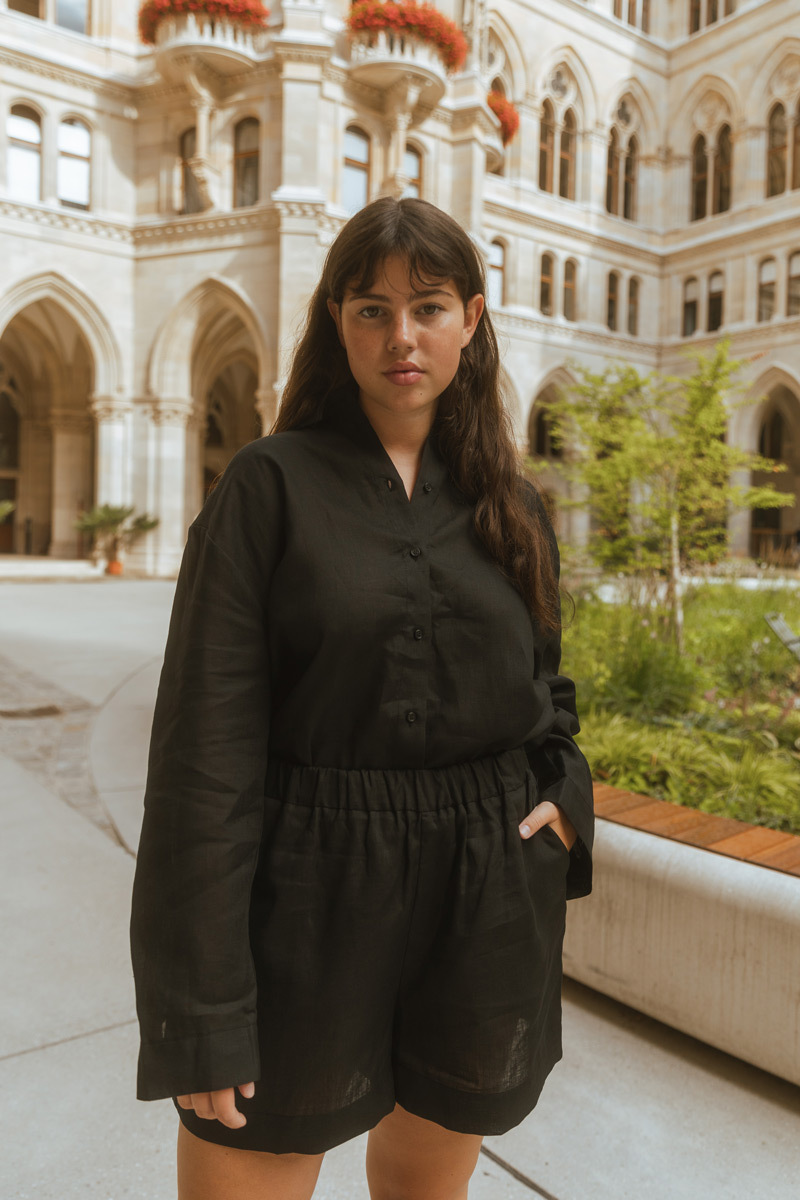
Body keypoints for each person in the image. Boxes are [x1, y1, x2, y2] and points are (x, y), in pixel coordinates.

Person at [130, 196, 594, 1200]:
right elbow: (202, 756)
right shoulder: (266, 488)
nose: (401, 337)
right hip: (304, 901)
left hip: (481, 907)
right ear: (334, 321)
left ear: (470, 321)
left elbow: (547, 689)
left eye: (427, 307)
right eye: (371, 310)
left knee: (430, 1179)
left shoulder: (512, 507)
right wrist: (200, 1007)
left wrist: (565, 795)